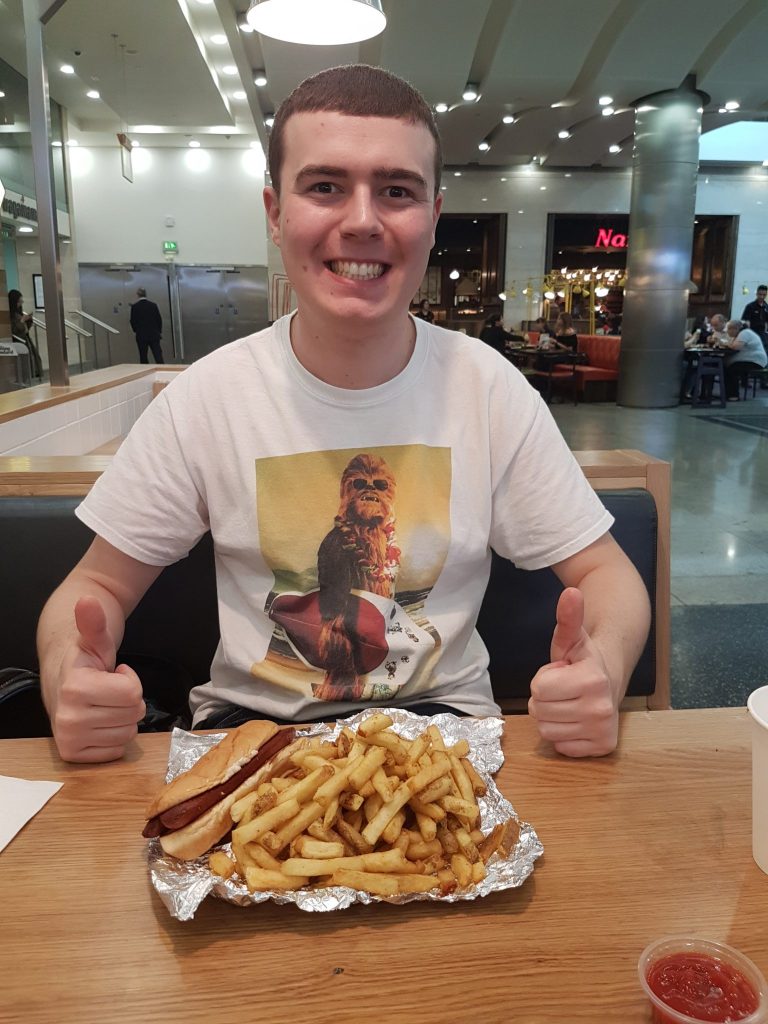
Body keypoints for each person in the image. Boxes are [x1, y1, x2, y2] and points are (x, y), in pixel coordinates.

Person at [37, 64, 650, 765]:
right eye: (325, 187)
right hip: (252, 732)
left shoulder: (489, 390)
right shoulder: (205, 399)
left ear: (433, 217)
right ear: (275, 213)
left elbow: (608, 576)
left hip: (446, 734)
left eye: (397, 191)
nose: (362, 221)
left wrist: (603, 668)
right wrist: (69, 677)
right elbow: (94, 586)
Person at [723, 318, 768, 400]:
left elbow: (736, 347)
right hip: (748, 360)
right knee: (726, 368)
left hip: (756, 361)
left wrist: (725, 344)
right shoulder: (739, 334)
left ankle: (734, 395)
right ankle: (727, 394)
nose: (728, 331)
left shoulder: (745, 333)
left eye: (729, 329)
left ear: (735, 328)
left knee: (732, 369)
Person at [8, 289, 43, 379]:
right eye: (19, 301)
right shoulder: (10, 315)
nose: (21, 304)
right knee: (26, 361)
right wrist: (22, 320)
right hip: (19, 341)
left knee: (34, 358)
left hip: (25, 338)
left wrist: (28, 321)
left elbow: (24, 328)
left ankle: (34, 375)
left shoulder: (18, 312)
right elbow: (14, 330)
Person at [129, 288, 164, 364]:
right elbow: (159, 319)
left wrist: (136, 330)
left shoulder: (135, 307)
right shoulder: (153, 305)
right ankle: (161, 368)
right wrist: (159, 331)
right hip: (154, 334)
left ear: (138, 295)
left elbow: (132, 321)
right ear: (146, 294)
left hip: (141, 335)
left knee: (143, 356)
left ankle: (145, 369)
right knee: (158, 355)